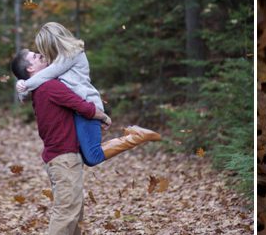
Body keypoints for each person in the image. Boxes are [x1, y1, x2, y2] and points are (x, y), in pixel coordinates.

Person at [10, 48, 110, 235]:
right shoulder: (49, 87)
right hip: (63, 158)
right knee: (66, 211)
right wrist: (103, 117)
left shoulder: (43, 86)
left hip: (65, 157)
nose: (39, 55)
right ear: (30, 69)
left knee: (75, 211)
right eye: (34, 56)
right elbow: (80, 105)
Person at [16, 22, 161, 165]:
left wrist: (24, 85)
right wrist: (24, 90)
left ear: (53, 43)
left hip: (87, 105)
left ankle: (137, 137)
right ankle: (134, 135)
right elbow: (43, 83)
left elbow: (45, 75)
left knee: (93, 157)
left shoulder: (71, 54)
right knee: (87, 156)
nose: (43, 54)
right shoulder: (60, 60)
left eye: (44, 49)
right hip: (78, 109)